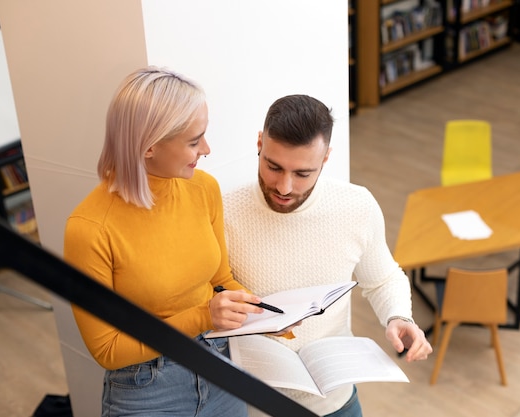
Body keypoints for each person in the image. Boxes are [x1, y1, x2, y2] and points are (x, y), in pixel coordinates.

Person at [63, 66, 265, 417]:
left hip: (219, 368)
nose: (207, 148)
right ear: (149, 146)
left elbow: (220, 280)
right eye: (193, 140)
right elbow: (107, 350)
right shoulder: (90, 228)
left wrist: (266, 314)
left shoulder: (203, 188)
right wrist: (203, 316)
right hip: (147, 392)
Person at [223, 94, 433, 417]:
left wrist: (399, 316)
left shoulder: (356, 207)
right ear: (259, 143)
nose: (284, 186)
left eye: (303, 173)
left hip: (334, 401)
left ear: (326, 158)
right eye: (273, 166)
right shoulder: (224, 212)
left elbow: (383, 278)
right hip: (253, 406)